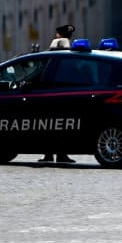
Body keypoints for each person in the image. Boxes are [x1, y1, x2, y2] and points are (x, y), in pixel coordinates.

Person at [39, 24, 77, 163]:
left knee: (48, 125)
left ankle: (49, 154)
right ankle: (61, 154)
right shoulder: (70, 58)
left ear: (57, 36)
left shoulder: (50, 58)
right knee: (62, 126)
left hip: (49, 96)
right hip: (64, 96)